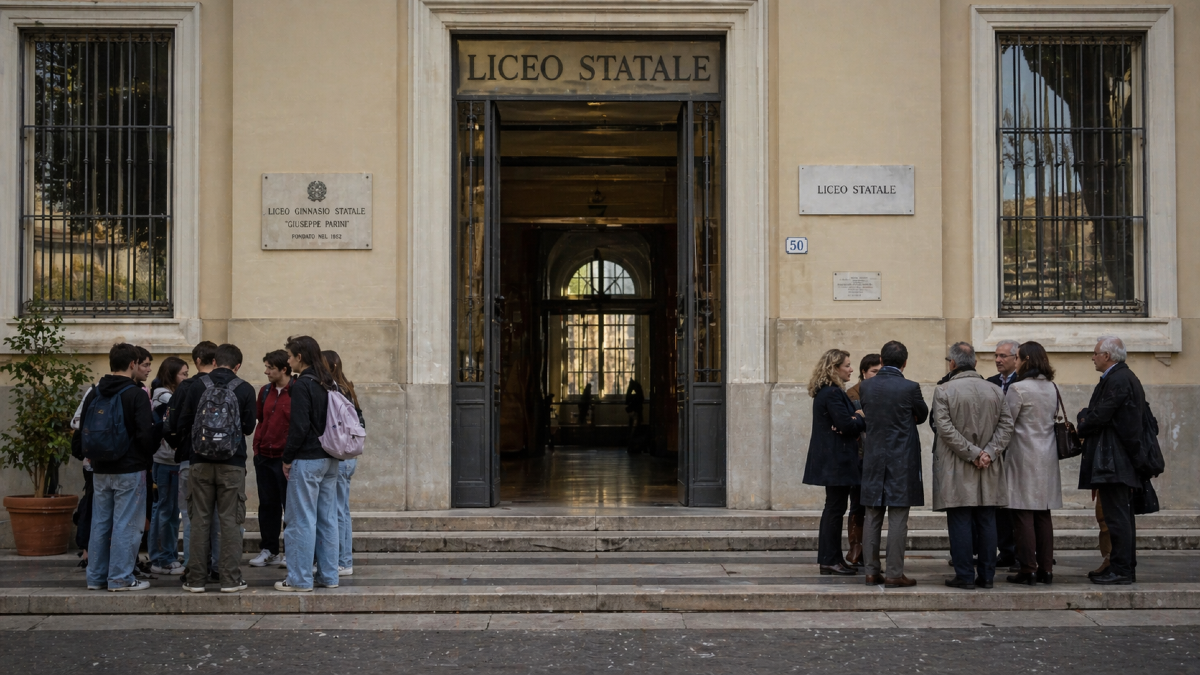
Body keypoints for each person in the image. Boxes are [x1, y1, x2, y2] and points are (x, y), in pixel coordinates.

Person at [71, 343, 162, 591]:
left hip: (100, 468)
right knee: (127, 524)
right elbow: (145, 437)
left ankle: (96, 577)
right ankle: (121, 578)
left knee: (101, 523)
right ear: (132, 364)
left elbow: (80, 429)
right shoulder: (135, 394)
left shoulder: (94, 392)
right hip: (130, 469)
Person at [174, 343, 257, 593]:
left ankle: (195, 580)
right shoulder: (244, 388)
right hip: (232, 464)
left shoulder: (196, 385)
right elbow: (248, 428)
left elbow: (183, 422)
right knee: (230, 521)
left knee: (199, 520)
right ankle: (230, 579)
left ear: (214, 360)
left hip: (199, 462)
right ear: (237, 365)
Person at [931, 342, 1013, 590]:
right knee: (987, 520)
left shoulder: (943, 390)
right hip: (988, 466)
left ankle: (965, 575)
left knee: (960, 520)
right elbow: (1007, 426)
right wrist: (988, 452)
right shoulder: (996, 390)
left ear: (952, 364)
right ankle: (987, 576)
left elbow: (944, 429)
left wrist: (974, 453)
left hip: (957, 466)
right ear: (976, 363)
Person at [858, 340, 928, 588]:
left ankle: (870, 571)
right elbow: (922, 414)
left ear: (882, 360)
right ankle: (895, 573)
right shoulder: (910, 387)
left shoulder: (865, 387)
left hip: (874, 457)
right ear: (905, 362)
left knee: (872, 515)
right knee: (898, 517)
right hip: (902, 458)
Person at [1077, 335, 1144, 585]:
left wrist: (1083, 419)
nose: (1092, 357)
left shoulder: (1118, 379)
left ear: (1107, 356)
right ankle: (1119, 565)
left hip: (1115, 461)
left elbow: (1100, 414)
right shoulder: (1121, 377)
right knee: (1117, 518)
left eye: (1095, 353)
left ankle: (1123, 570)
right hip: (1116, 460)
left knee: (1117, 519)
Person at [276, 336, 341, 592]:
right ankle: (329, 576)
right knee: (327, 519)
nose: (288, 360)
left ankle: (300, 579)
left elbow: (300, 426)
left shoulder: (303, 384)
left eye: (290, 356)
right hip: (330, 457)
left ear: (299, 357)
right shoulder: (329, 382)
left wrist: (287, 457)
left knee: (300, 519)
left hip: (308, 458)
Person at [1003, 341, 1063, 585]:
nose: (1014, 362)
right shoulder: (1052, 387)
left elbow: (1006, 423)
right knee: (1043, 514)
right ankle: (1046, 569)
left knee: (1022, 513)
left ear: (1026, 359)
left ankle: (1028, 569)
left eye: (1016, 358)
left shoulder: (1018, 389)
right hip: (1047, 455)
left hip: (1023, 455)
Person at [802, 349, 865, 576]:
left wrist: (851, 419)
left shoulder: (831, 392)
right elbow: (847, 425)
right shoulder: (831, 393)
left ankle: (834, 559)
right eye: (847, 365)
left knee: (835, 509)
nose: (851, 369)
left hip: (835, 459)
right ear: (834, 368)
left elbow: (844, 424)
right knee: (834, 510)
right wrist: (859, 416)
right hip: (836, 460)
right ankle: (829, 560)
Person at [170, 341, 221, 578]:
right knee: (221, 518)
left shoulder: (187, 386)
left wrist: (182, 446)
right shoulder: (231, 384)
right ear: (216, 360)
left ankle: (193, 567)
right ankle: (219, 567)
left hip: (191, 459)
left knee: (192, 517)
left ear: (197, 361)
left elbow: (174, 424)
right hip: (226, 460)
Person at [249, 350, 293, 569]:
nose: (266, 372)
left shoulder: (296, 390)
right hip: (265, 456)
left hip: (286, 459)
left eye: (270, 368)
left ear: (284, 369)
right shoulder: (265, 391)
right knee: (267, 505)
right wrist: (257, 449)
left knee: (290, 506)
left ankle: (290, 550)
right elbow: (261, 419)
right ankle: (269, 549)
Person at [147, 357, 189, 576]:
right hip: (167, 460)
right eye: (183, 374)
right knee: (168, 511)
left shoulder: (163, 395)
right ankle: (164, 559)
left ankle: (161, 554)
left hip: (164, 460)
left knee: (163, 509)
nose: (186, 378)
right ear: (171, 375)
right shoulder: (166, 398)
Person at [324, 349, 363, 577]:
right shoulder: (348, 388)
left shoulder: (335, 390)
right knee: (341, 510)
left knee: (338, 510)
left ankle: (343, 560)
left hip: (340, 457)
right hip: (348, 456)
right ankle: (343, 559)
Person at [843, 353, 880, 565]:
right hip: (858, 456)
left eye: (880, 372)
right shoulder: (851, 393)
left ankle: (869, 550)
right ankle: (855, 549)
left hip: (877, 456)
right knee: (857, 504)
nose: (877, 376)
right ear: (864, 372)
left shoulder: (885, 392)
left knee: (873, 507)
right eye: (874, 371)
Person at [987, 339, 1021, 569]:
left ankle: (1024, 551)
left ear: (1016, 358)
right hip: (995, 450)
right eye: (996, 356)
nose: (998, 360)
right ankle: (1006, 550)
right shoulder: (989, 384)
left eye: (1003, 356)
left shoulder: (1025, 383)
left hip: (1019, 451)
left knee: (1019, 504)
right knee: (999, 504)